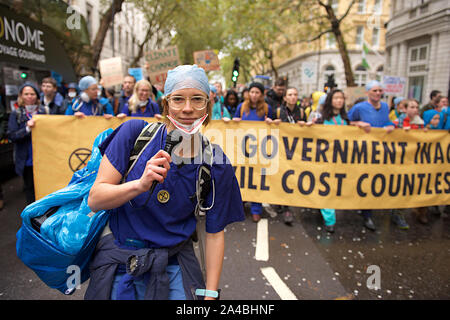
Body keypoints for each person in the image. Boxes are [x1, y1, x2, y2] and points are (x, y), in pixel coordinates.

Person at [85, 64, 245, 300]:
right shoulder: (133, 134)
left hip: (174, 266)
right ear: (166, 104)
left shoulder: (216, 163)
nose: (188, 108)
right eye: (178, 99)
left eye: (197, 99)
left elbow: (214, 234)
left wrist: (209, 295)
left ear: (208, 107)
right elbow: (96, 199)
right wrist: (139, 185)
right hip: (120, 264)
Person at [347, 80, 409, 230]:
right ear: (368, 92)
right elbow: (348, 121)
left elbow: (386, 121)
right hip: (364, 150)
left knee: (377, 180)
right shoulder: (359, 107)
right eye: (374, 90)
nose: (378, 93)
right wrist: (358, 124)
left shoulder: (386, 107)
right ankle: (367, 215)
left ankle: (370, 208)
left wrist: (391, 126)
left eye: (380, 90)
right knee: (365, 180)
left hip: (381, 150)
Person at [233, 82, 274, 223]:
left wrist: (272, 122)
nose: (254, 95)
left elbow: (276, 127)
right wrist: (233, 121)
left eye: (257, 92)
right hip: (243, 148)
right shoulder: (241, 107)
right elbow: (234, 123)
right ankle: (241, 205)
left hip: (260, 149)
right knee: (242, 177)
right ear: (248, 93)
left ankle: (256, 209)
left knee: (257, 179)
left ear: (262, 94)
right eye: (252, 92)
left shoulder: (267, 109)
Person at [313, 89, 349, 233]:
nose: (339, 101)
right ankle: (330, 220)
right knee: (325, 188)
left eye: (341, 98)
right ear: (330, 100)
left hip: (341, 161)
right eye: (336, 98)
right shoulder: (321, 119)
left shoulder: (346, 119)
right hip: (325, 161)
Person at [270, 87, 307, 225]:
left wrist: (305, 126)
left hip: (295, 152)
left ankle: (287, 208)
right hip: (280, 150)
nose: (293, 97)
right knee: (279, 177)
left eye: (295, 94)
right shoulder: (278, 111)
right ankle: (279, 201)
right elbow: (269, 127)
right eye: (290, 94)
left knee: (289, 179)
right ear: (285, 97)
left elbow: (308, 132)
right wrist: (272, 123)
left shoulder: (302, 112)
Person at [7, 83, 47, 204]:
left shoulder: (44, 111)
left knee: (45, 187)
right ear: (21, 96)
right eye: (26, 94)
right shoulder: (16, 114)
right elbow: (11, 135)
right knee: (30, 189)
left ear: (37, 96)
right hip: (27, 160)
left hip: (43, 158)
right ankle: (32, 216)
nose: (29, 96)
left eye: (32, 94)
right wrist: (27, 129)